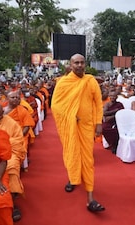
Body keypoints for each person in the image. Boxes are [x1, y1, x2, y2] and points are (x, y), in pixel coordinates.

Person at [51, 53, 105, 212]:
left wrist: (98, 123)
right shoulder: (63, 82)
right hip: (71, 126)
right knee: (71, 153)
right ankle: (72, 178)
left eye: (82, 62)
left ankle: (90, 198)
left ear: (85, 64)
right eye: (76, 63)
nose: (79, 65)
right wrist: (70, 117)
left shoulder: (90, 80)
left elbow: (98, 102)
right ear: (70, 65)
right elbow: (55, 105)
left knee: (87, 159)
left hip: (87, 126)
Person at [0, 103, 26, 221]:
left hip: (10, 153)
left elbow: (18, 141)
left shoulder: (11, 123)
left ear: (2, 113)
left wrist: (2, 143)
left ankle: (13, 203)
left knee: (12, 168)